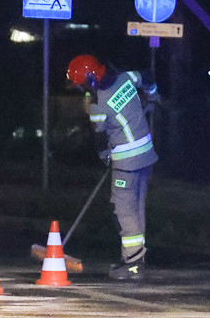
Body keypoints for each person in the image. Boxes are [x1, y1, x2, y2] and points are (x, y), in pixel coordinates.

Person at [66, 54, 159, 281]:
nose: (81, 89)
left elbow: (99, 139)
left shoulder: (98, 105)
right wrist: (153, 95)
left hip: (126, 162)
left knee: (123, 210)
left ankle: (133, 264)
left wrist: (105, 156)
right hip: (146, 157)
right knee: (137, 209)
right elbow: (146, 76)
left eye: (82, 84)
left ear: (90, 79)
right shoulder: (126, 78)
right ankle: (136, 259)